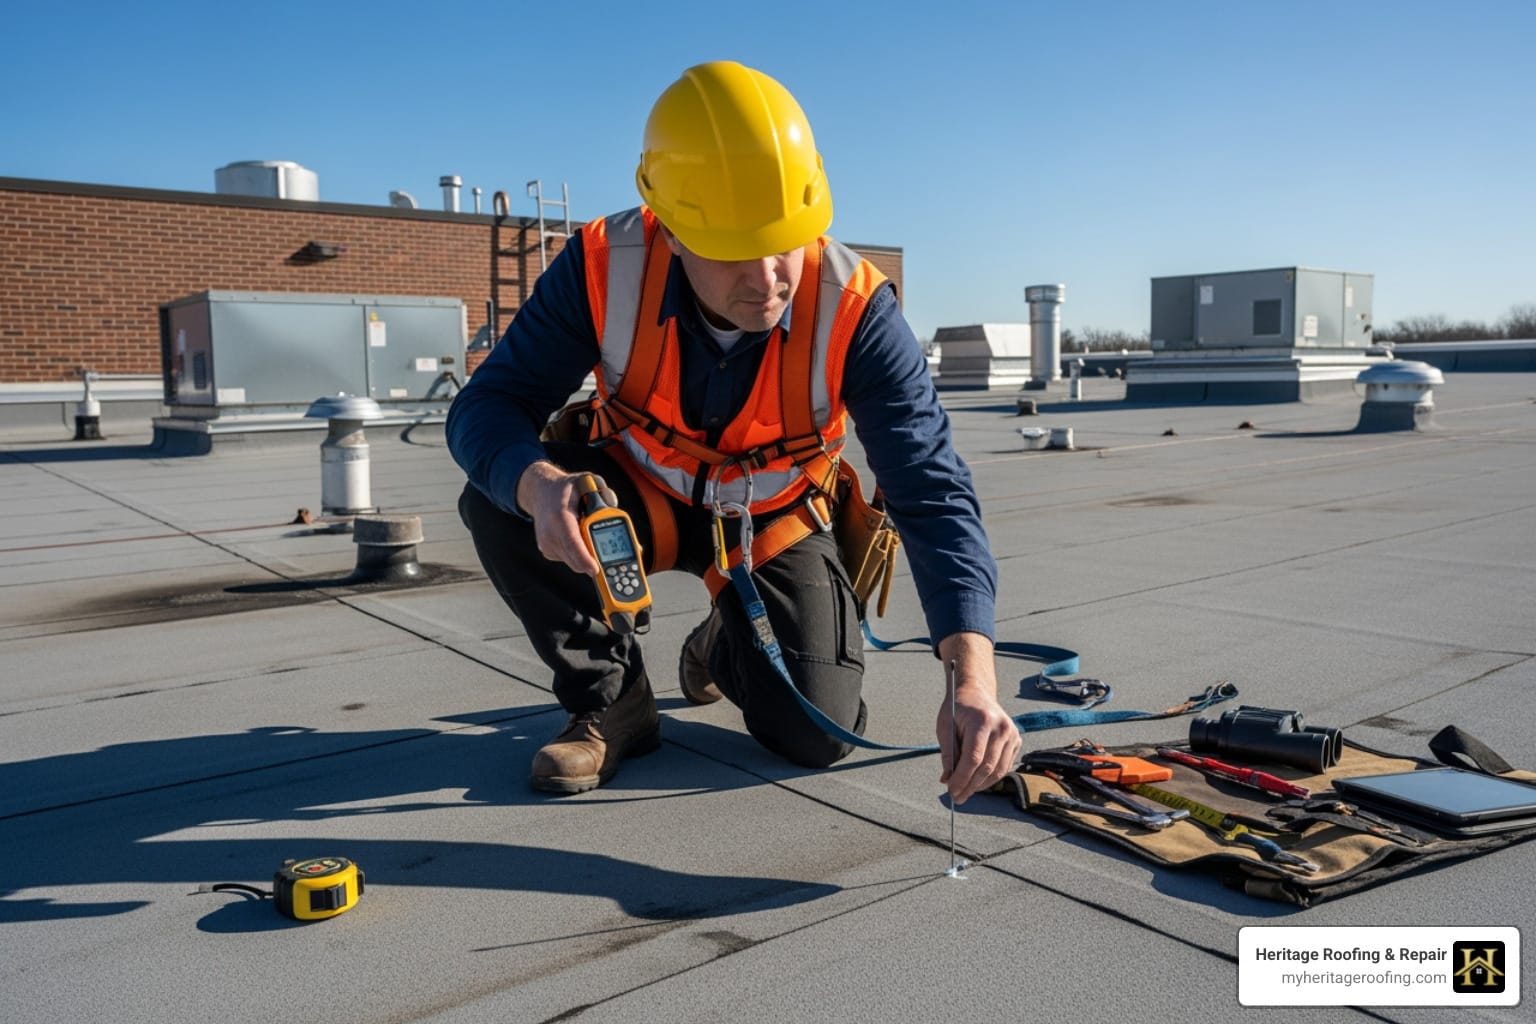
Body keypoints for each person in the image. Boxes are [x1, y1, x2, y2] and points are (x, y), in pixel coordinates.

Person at [447, 60, 1020, 803]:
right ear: (671, 229)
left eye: (784, 240)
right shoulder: (601, 267)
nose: (767, 278)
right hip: (636, 499)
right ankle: (612, 702)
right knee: (498, 495)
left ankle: (727, 640)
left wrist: (972, 678)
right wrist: (534, 481)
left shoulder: (855, 308)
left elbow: (932, 491)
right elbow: (487, 406)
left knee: (816, 734)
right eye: (730, 249)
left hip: (772, 519)